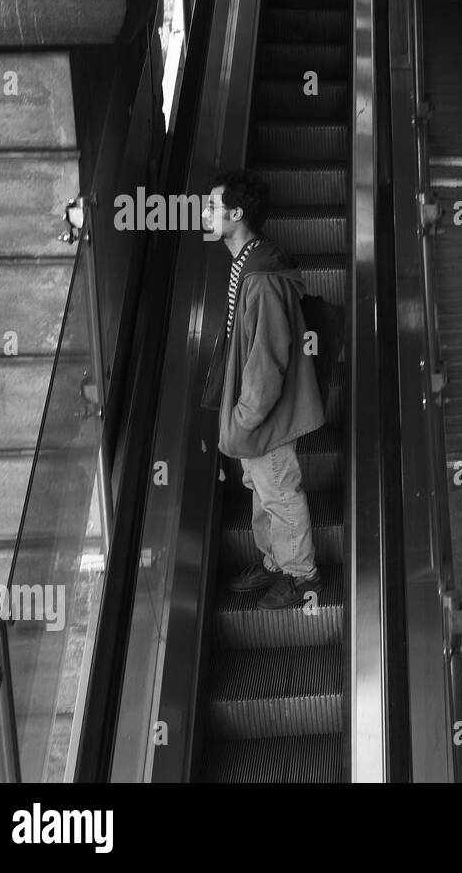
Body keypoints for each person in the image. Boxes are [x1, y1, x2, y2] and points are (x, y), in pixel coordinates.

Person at [200, 170, 326, 609]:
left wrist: (245, 416)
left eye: (213, 207)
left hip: (265, 416)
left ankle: (301, 576)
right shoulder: (247, 263)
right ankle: (275, 561)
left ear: (236, 214)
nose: (204, 213)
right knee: (259, 487)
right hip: (253, 414)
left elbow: (268, 359)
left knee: (279, 490)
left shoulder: (262, 276)